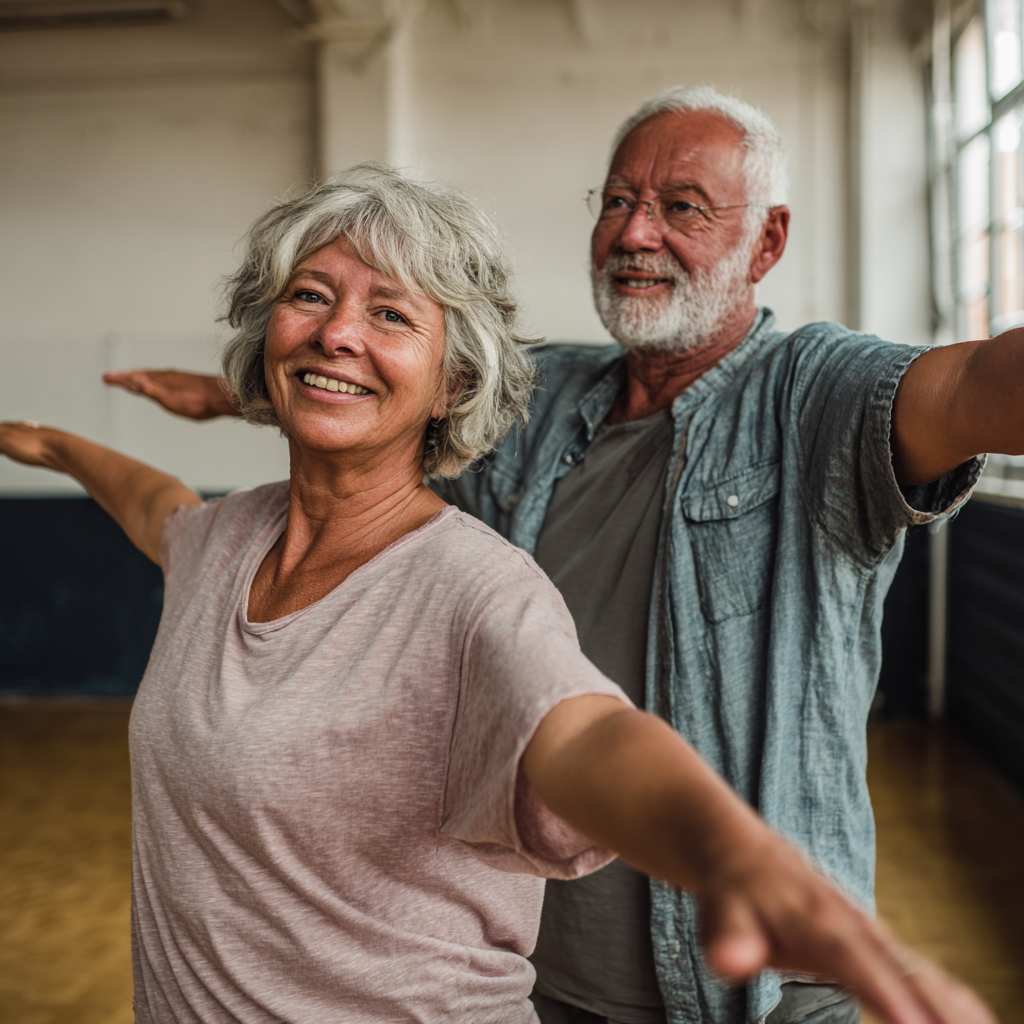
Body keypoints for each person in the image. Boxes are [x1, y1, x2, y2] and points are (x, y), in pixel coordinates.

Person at [97, 86, 1016, 1024]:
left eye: (681, 207)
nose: (636, 233)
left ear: (768, 243)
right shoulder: (556, 396)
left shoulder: (818, 394)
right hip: (545, 970)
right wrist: (238, 387)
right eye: (617, 200)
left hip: (755, 978)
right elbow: (378, 381)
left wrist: (733, 854)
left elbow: (981, 382)